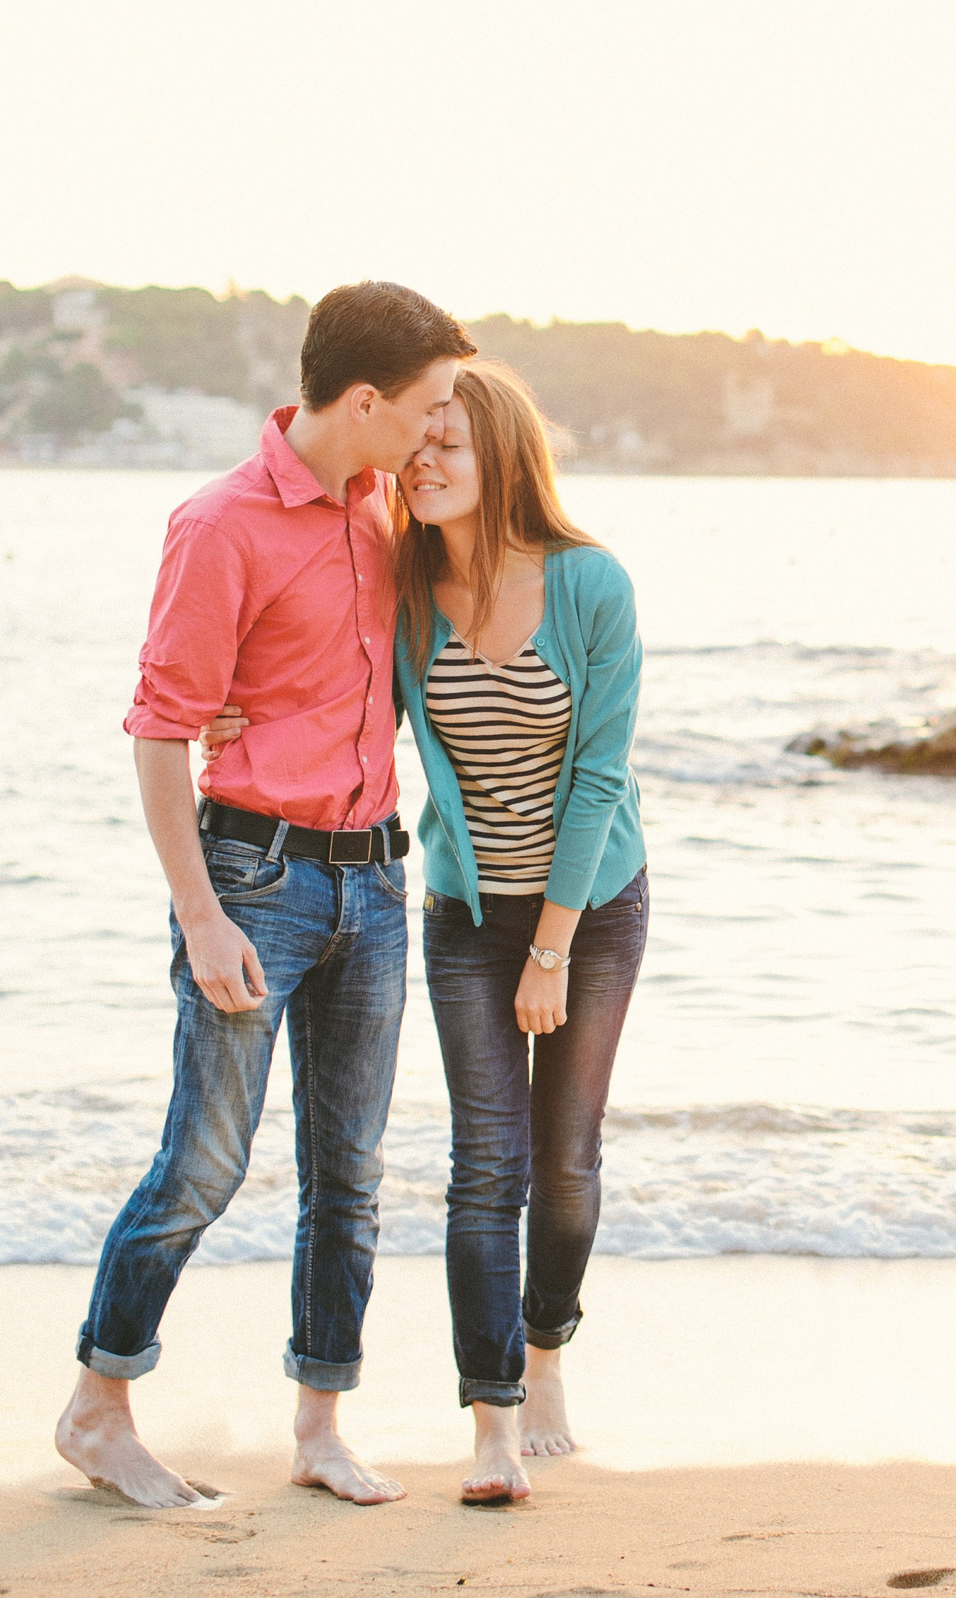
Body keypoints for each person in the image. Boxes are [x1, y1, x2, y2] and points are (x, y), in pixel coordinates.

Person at [54, 281, 476, 1510]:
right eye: (430, 408)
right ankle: (98, 1407)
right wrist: (201, 914)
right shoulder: (219, 526)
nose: (440, 430)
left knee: (350, 1173)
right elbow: (158, 730)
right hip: (255, 882)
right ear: (362, 403)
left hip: (376, 883)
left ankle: (320, 1427)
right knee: (205, 1162)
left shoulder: (390, 509)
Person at [210, 359, 647, 1505]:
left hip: (592, 909)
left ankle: (546, 1349)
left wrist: (551, 945)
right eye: (420, 443)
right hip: (460, 911)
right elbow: (327, 685)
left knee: (563, 1165)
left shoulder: (591, 584)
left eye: (450, 441)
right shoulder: (405, 588)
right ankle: (492, 1424)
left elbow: (600, 777)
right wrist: (229, 707)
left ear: (504, 453)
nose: (426, 460)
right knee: (481, 1169)